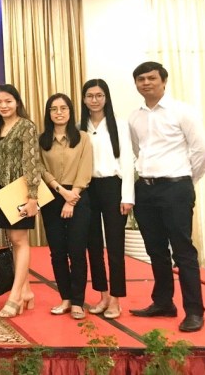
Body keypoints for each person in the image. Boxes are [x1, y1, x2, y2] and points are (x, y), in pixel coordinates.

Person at [128, 61, 205, 333]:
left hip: (176, 188)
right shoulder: (134, 117)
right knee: (156, 250)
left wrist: (185, 180)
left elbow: (201, 152)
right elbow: (138, 151)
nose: (146, 83)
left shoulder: (183, 111)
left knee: (183, 251)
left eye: (151, 78)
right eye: (141, 79)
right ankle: (163, 302)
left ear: (164, 81)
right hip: (146, 189)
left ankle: (194, 311)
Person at [80, 79, 134, 320]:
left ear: (106, 98)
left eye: (99, 95)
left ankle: (116, 298)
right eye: (90, 96)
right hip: (88, 188)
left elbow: (128, 162)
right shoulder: (79, 127)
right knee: (93, 244)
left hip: (113, 186)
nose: (94, 100)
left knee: (115, 245)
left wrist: (127, 197)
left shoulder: (119, 125)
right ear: (84, 99)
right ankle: (102, 295)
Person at [0, 84, 40, 318]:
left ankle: (16, 296)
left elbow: (32, 162)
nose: (3, 106)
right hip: (2, 189)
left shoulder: (26, 126)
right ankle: (26, 290)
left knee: (20, 240)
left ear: (17, 102)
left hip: (21, 190)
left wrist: (32, 197)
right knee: (12, 240)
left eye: (8, 101)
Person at [39, 93, 93, 320]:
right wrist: (61, 191)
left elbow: (85, 169)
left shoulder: (83, 138)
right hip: (52, 196)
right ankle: (65, 298)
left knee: (77, 251)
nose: (58, 112)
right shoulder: (42, 140)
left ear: (70, 111)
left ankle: (78, 302)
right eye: (54, 109)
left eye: (63, 108)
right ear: (48, 113)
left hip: (78, 196)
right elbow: (40, 168)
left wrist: (72, 198)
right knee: (57, 252)